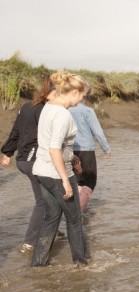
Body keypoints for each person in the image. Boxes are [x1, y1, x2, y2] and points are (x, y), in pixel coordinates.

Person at [31, 70, 90, 266]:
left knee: (52, 216)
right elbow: (54, 148)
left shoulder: (48, 106)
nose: (82, 100)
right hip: (56, 174)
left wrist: (72, 156)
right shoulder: (63, 115)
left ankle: (38, 264)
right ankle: (81, 264)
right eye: (82, 96)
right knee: (75, 219)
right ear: (74, 92)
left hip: (41, 171)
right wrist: (66, 180)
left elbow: (53, 143)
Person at [1, 76, 56, 253]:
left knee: (49, 198)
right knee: (43, 202)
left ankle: (51, 229)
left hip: (22, 160)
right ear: (52, 93)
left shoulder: (26, 105)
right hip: (33, 161)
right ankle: (30, 242)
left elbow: (15, 130)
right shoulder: (45, 110)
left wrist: (7, 153)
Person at [68, 102, 112, 212]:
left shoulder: (66, 109)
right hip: (86, 149)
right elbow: (97, 131)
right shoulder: (87, 111)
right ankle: (79, 212)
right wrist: (106, 149)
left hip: (71, 149)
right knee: (89, 182)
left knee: (78, 181)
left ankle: (79, 211)